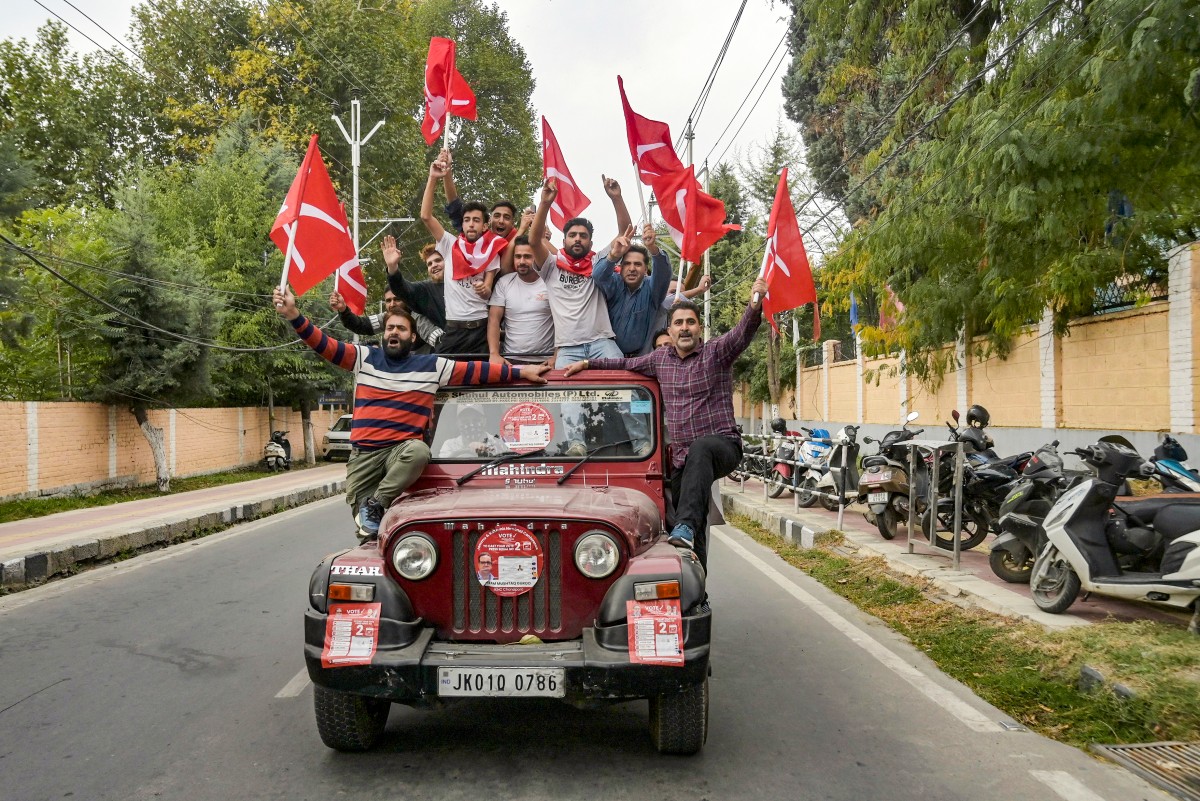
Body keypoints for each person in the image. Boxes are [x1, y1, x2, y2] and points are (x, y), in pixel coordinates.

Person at [272, 286, 549, 540]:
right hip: (364, 457)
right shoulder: (363, 358)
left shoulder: (433, 365)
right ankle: (372, 513)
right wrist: (295, 315)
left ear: (413, 337)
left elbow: (479, 372)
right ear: (383, 334)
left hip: (401, 455)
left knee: (417, 451)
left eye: (401, 329)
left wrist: (521, 371)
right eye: (390, 328)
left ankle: (377, 502)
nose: (394, 332)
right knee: (369, 532)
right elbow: (324, 345)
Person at [563, 277, 769, 571]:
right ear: (670, 330)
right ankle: (697, 586)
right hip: (684, 458)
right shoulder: (661, 359)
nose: (685, 327)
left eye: (691, 322)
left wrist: (754, 302)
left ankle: (683, 527)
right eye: (679, 323)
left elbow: (741, 333)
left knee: (700, 456)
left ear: (699, 328)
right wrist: (587, 364)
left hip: (722, 445)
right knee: (693, 525)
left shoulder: (716, 353)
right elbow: (624, 366)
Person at [528, 175, 632, 368]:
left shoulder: (598, 261)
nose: (577, 239)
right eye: (572, 235)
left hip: (603, 343)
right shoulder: (551, 265)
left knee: (620, 390)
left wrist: (616, 198)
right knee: (568, 398)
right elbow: (534, 241)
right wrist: (544, 203)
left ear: (590, 243)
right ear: (564, 241)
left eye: (583, 236)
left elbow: (625, 233)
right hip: (567, 349)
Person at [419, 156, 506, 358]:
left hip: (481, 330)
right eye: (467, 220)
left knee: (484, 384)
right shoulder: (449, 244)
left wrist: (485, 288)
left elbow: (487, 291)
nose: (471, 224)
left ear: (485, 226)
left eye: (476, 220)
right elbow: (426, 216)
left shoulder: (491, 250)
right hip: (454, 329)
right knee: (445, 382)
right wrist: (433, 178)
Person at [591, 223, 671, 357]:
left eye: (638, 264)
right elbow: (597, 275)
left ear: (646, 270)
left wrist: (653, 249)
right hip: (606, 357)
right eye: (627, 264)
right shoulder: (615, 283)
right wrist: (614, 255)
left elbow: (663, 273)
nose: (632, 268)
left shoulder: (652, 289)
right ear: (620, 268)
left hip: (640, 358)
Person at [488, 235, 554, 366]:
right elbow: (493, 320)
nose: (522, 261)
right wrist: (494, 353)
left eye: (527, 256)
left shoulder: (550, 281)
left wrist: (557, 355)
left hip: (546, 361)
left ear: (537, 256)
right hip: (511, 360)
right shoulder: (504, 283)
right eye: (518, 256)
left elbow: (562, 321)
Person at [329, 287, 442, 353]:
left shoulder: (418, 317)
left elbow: (438, 339)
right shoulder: (385, 317)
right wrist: (343, 309)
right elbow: (360, 325)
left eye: (397, 299)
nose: (392, 304)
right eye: (388, 301)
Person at [384, 239, 447, 334]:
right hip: (450, 345)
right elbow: (402, 289)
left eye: (438, 260)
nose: (434, 265)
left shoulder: (466, 282)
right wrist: (392, 267)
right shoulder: (426, 290)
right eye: (429, 264)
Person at [437, 403, 507, 458]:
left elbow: (506, 461)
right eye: (465, 421)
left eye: (476, 420)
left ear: (484, 421)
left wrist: (485, 449)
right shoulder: (449, 445)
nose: (471, 424)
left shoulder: (498, 442)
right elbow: (445, 469)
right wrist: (468, 448)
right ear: (457, 424)